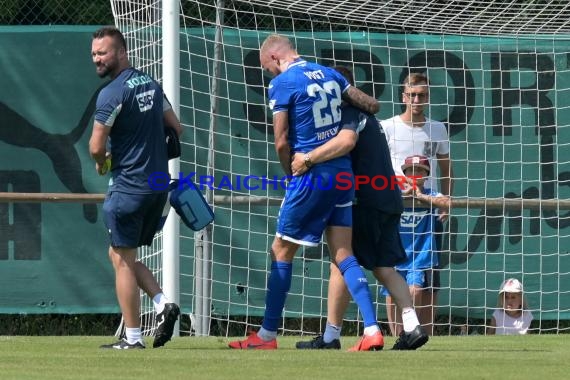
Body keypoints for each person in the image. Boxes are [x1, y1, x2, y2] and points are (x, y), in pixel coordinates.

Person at [228, 34, 384, 351]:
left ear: (274, 58)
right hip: (342, 174)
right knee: (343, 253)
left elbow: (282, 140)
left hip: (311, 175)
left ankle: (267, 336)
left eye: (267, 68)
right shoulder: (331, 74)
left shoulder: (283, 83)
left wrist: (291, 175)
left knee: (281, 250)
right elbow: (370, 105)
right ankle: (371, 330)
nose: (270, 74)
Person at [292, 66, 429, 351]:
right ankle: (412, 326)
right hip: (389, 197)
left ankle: (336, 335)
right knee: (384, 267)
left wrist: (308, 159)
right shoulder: (368, 115)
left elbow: (346, 142)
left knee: (341, 261)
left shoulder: (347, 115)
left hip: (367, 200)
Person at [89, 26, 183, 349]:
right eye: (94, 54)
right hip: (157, 187)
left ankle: (132, 338)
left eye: (102, 53)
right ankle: (162, 304)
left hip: (128, 188)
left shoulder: (112, 93)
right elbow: (176, 129)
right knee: (119, 255)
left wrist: (103, 164)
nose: (97, 59)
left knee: (123, 259)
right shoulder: (153, 86)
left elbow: (95, 147)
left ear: (122, 51)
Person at [381, 72, 453, 335]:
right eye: (411, 95)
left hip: (427, 209)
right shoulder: (387, 126)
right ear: (403, 96)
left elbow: (446, 168)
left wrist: (445, 201)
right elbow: (377, 166)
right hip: (395, 208)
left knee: (429, 279)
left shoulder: (437, 128)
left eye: (421, 95)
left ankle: (426, 335)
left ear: (428, 97)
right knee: (392, 273)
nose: (416, 99)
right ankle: (397, 334)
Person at [381, 155, 450, 337]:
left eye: (420, 170)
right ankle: (398, 335)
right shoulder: (394, 192)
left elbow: (447, 202)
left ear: (426, 175)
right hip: (395, 254)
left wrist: (420, 196)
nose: (415, 174)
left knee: (415, 290)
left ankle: (410, 331)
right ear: (405, 173)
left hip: (420, 256)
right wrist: (402, 196)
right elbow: (379, 200)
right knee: (391, 293)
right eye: (411, 170)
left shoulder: (431, 194)